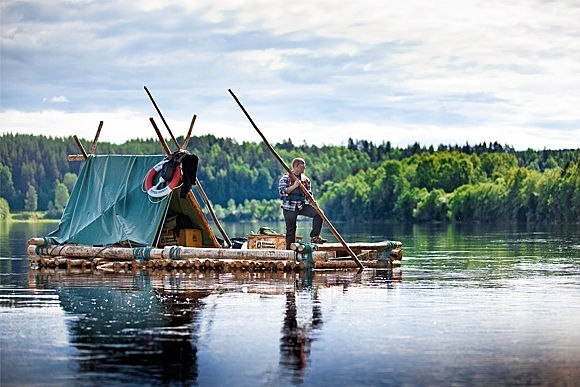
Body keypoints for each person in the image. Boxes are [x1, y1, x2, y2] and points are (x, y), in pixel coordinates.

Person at [278, 157, 327, 250]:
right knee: (291, 230)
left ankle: (315, 236)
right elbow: (282, 192)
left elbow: (309, 194)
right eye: (302, 166)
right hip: (289, 207)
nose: (304, 168)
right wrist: (295, 186)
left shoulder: (306, 180)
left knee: (319, 213)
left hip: (301, 206)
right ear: (296, 166)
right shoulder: (285, 178)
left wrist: (313, 203)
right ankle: (289, 250)